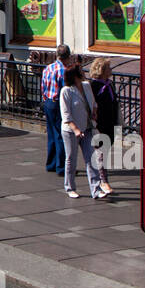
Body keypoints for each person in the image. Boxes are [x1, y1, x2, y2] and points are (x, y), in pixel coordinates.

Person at [60, 65, 105, 199]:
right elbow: (66, 115)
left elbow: (93, 103)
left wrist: (95, 112)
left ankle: (96, 190)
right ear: (75, 76)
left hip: (88, 127)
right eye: (80, 72)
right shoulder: (66, 91)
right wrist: (76, 130)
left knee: (91, 158)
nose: (84, 73)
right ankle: (70, 188)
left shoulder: (86, 85)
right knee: (71, 159)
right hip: (71, 131)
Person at [88, 57, 117, 196]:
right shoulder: (94, 86)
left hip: (110, 123)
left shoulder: (109, 84)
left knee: (104, 154)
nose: (111, 70)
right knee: (100, 154)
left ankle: (101, 180)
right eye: (108, 68)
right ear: (102, 70)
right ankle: (103, 181)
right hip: (100, 124)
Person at [41, 45, 71, 177]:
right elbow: (66, 92)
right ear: (68, 56)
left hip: (48, 102)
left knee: (52, 134)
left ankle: (51, 164)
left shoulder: (48, 68)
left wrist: (46, 99)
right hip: (58, 103)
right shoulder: (63, 71)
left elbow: (42, 87)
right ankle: (61, 167)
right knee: (61, 135)